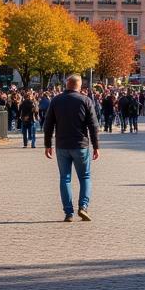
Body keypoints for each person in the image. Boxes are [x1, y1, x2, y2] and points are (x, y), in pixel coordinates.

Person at [44, 74, 100, 223]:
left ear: (66, 84)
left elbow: (48, 124)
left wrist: (47, 144)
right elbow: (93, 126)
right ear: (79, 86)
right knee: (85, 177)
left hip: (62, 145)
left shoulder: (56, 100)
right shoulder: (85, 100)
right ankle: (83, 206)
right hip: (80, 145)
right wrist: (96, 146)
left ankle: (68, 212)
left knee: (65, 178)